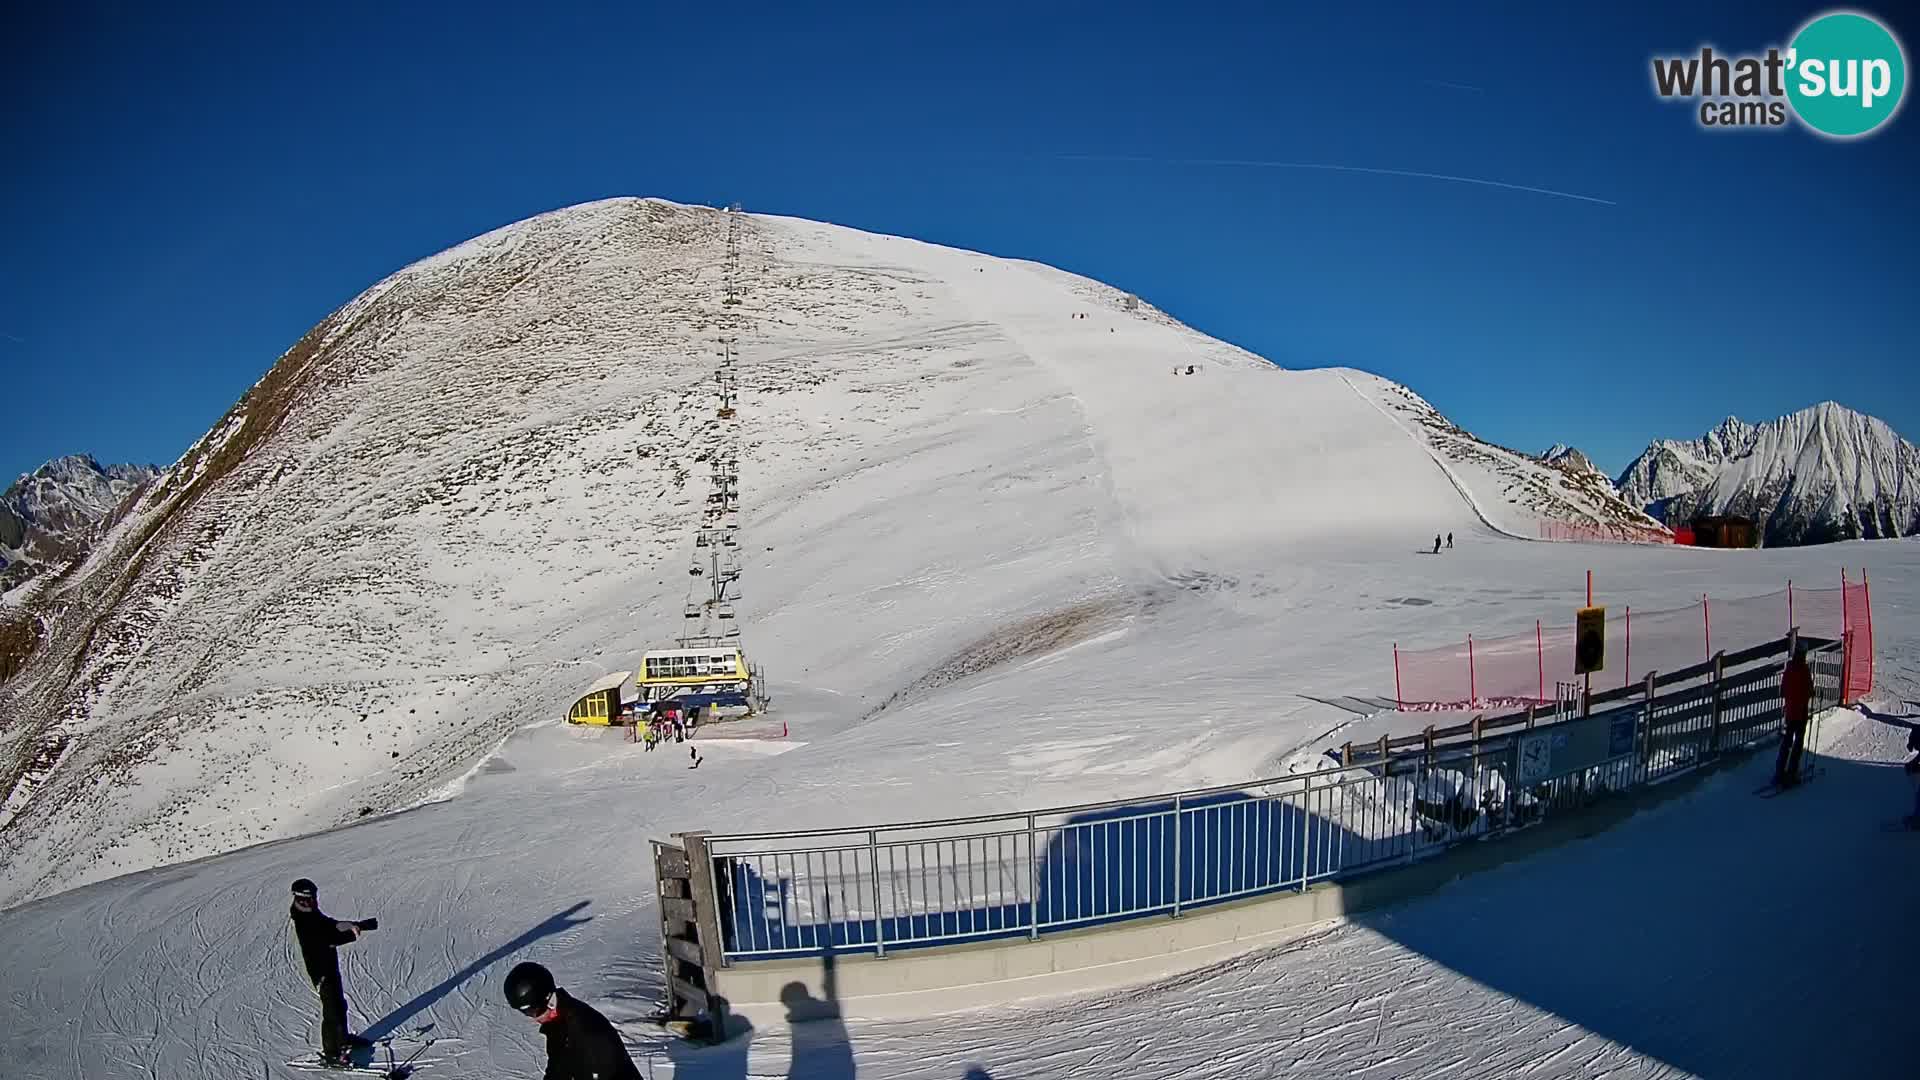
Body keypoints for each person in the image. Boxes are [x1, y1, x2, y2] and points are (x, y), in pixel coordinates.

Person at [289, 878, 378, 1068]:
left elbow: (330, 924)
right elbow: (329, 938)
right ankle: (332, 1053)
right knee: (332, 1011)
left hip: (329, 966)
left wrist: (353, 924)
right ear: (301, 900)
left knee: (340, 1004)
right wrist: (352, 933)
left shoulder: (311, 914)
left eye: (314, 898)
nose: (314, 902)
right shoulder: (304, 921)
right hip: (320, 971)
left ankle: (343, 1039)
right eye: (310, 900)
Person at [503, 961, 642, 1080]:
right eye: (526, 1012)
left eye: (535, 1010)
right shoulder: (557, 1023)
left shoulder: (587, 1031)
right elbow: (558, 1068)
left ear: (548, 998)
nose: (535, 1017)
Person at [1773, 644, 1814, 787]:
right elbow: (1809, 689)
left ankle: (1779, 773)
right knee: (1797, 744)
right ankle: (1791, 773)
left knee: (1786, 743)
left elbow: (1782, 691)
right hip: (1801, 712)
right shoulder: (1804, 670)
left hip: (1790, 712)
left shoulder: (1789, 669)